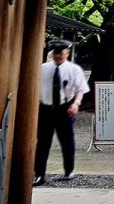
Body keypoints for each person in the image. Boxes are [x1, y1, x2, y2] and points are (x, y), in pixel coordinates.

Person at [34, 39, 90, 185]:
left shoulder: (74, 69)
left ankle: (68, 170)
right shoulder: (42, 68)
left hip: (65, 107)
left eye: (61, 53)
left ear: (67, 53)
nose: (58, 56)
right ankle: (39, 173)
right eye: (55, 53)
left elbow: (80, 89)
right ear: (52, 54)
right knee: (42, 142)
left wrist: (76, 104)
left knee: (67, 140)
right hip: (46, 107)